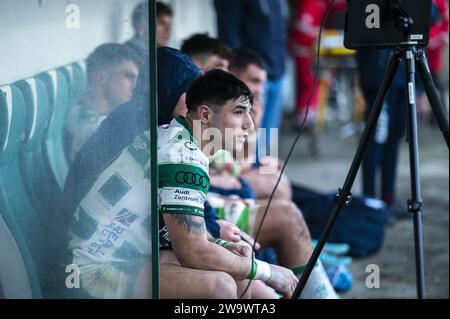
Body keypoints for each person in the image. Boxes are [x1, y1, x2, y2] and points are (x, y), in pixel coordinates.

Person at [214, 0, 288, 151]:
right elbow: (228, 34)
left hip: (277, 73)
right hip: (249, 75)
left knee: (267, 140)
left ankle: (262, 169)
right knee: (244, 138)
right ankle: (249, 172)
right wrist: (235, 76)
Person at [65, 43, 140, 162]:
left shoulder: (77, 114)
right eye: (129, 77)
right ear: (101, 77)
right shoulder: (95, 129)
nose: (134, 86)